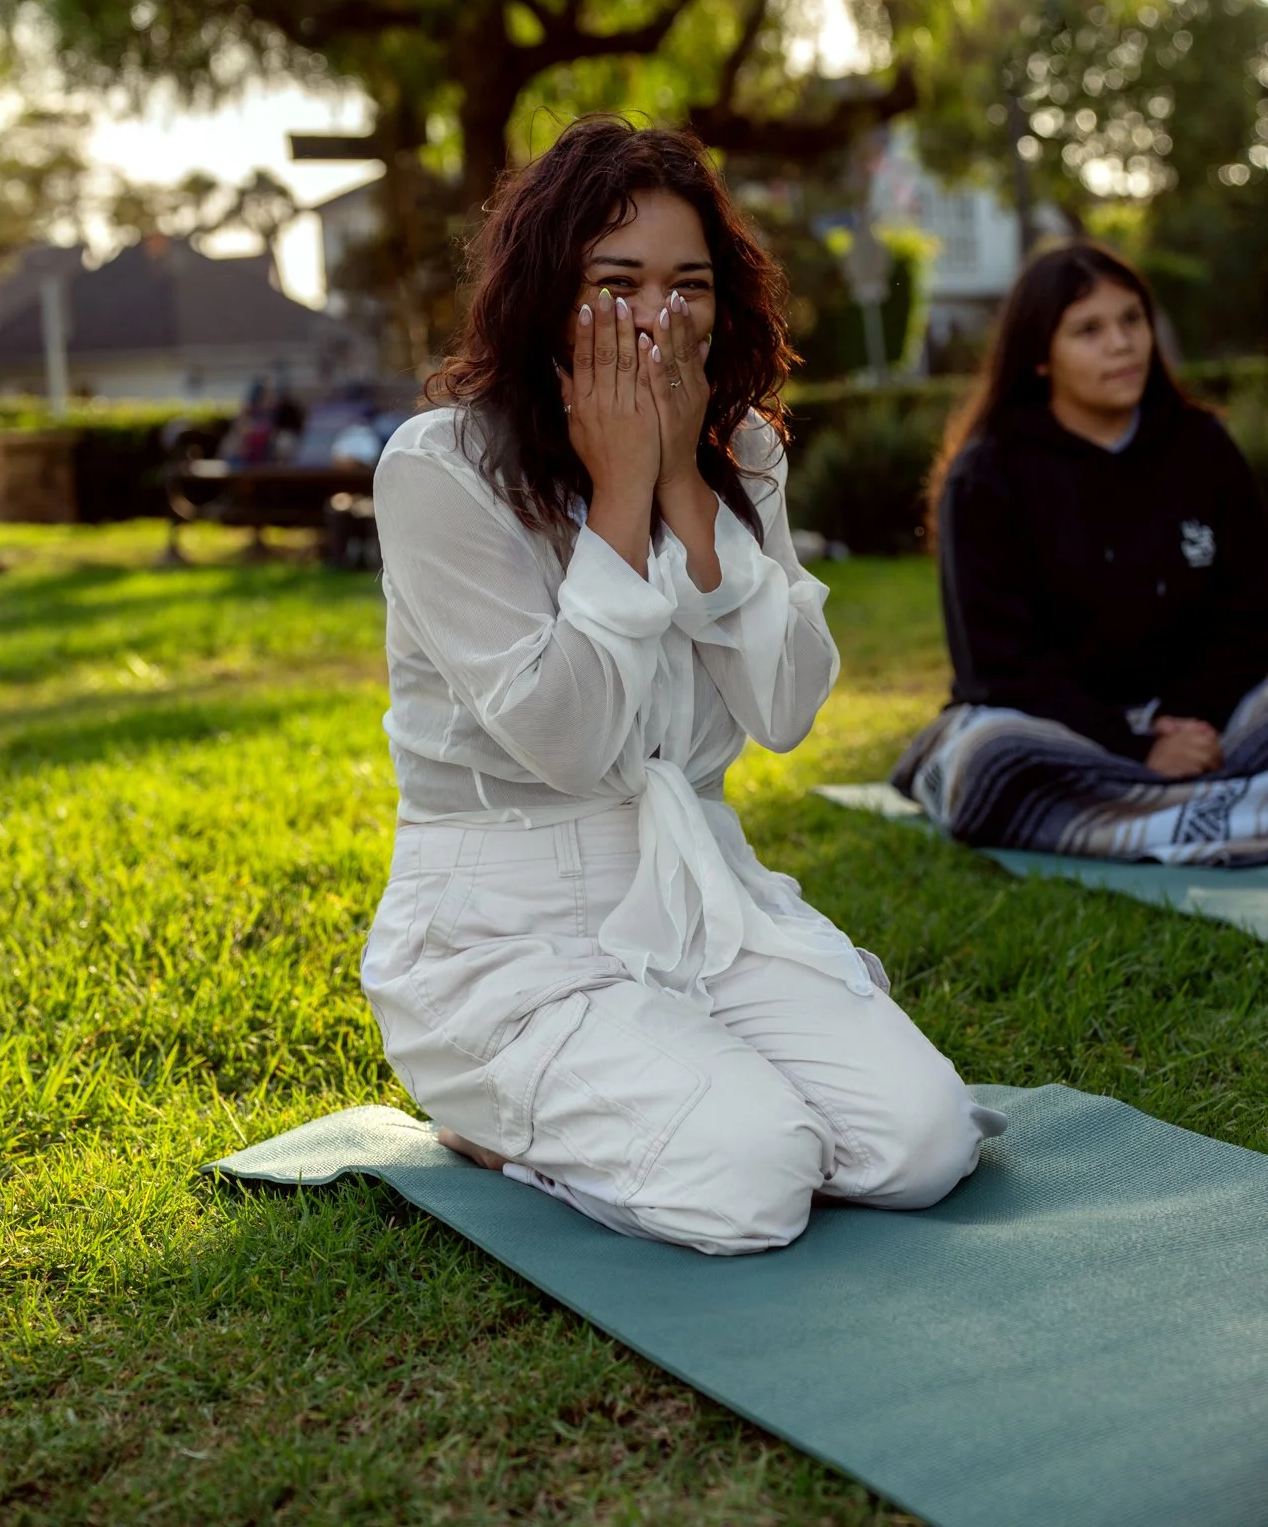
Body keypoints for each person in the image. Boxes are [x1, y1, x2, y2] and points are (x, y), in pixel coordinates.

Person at [361, 117, 1004, 1257]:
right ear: (546, 292)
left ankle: (689, 1077)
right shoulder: (438, 467)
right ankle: (493, 1125)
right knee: (753, 1180)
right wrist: (618, 496)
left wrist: (684, 492)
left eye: (688, 285)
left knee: (923, 1144)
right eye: (618, 283)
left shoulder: (741, 451)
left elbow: (787, 705)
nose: (660, 317)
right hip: (505, 935)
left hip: (700, 896)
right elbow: (568, 741)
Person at [894, 242, 1268, 862]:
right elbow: (997, 667)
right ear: (1040, 357)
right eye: (1088, 330)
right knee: (990, 758)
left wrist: (1188, 719)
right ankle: (1220, 810)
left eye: (1132, 320)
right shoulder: (988, 477)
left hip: (1204, 722)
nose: (1121, 344)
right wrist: (1137, 747)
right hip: (1064, 733)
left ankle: (1151, 816)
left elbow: (1251, 610)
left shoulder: (1202, 447)